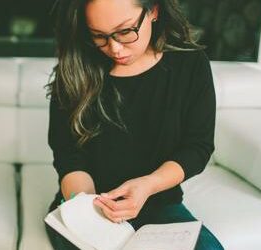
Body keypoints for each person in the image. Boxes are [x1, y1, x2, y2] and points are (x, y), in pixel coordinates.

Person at [44, 0, 224, 249]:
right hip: (89, 206)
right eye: (99, 36)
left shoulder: (190, 65)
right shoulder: (74, 71)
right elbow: (68, 155)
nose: (115, 49)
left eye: (126, 31)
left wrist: (148, 185)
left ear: (153, 11)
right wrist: (87, 205)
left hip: (160, 204)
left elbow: (197, 146)